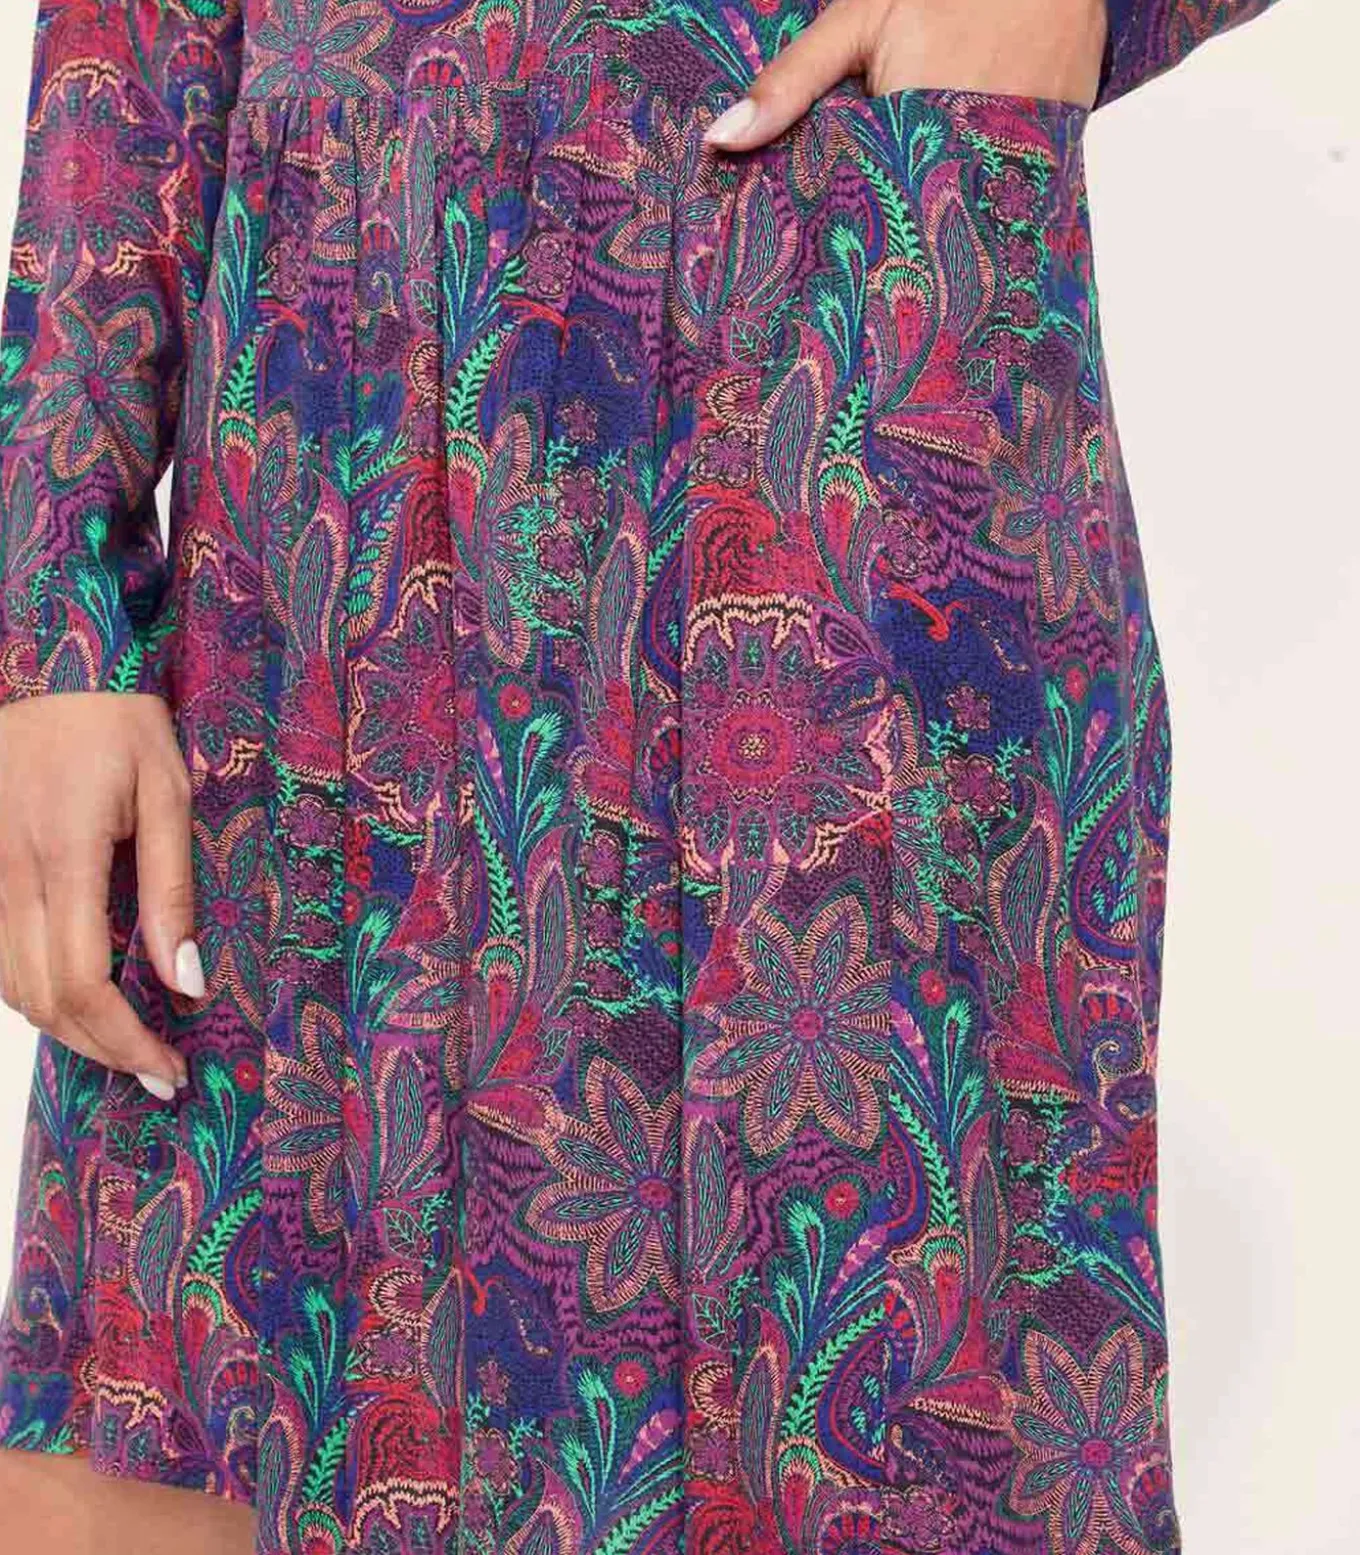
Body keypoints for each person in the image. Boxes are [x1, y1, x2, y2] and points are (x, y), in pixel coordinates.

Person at [0, 1, 1283, 1551]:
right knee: (185, 1447)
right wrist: (51, 607)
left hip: (833, 380)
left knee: (864, 1413)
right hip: (337, 449)